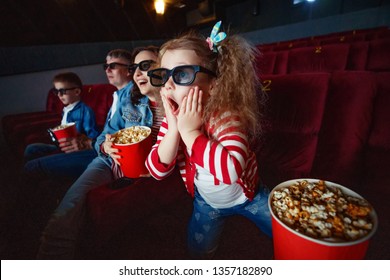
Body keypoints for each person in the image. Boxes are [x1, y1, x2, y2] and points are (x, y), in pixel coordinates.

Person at [145, 21, 272, 259]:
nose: (169, 84)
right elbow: (156, 171)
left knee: (284, 229)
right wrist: (174, 129)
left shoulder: (227, 117)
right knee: (197, 250)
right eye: (164, 75)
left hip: (248, 195)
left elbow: (231, 171)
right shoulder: (172, 121)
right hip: (207, 203)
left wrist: (192, 134)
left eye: (181, 74)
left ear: (212, 85)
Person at [36, 47, 162, 259]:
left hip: (145, 168)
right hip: (107, 161)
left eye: (146, 66)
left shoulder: (174, 105)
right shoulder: (128, 101)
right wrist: (105, 146)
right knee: (69, 204)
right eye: (134, 68)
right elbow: (105, 135)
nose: (138, 73)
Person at [23, 72, 99, 181]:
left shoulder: (85, 111)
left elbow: (93, 135)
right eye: (56, 91)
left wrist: (80, 139)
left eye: (62, 91)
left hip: (75, 149)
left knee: (35, 160)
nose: (59, 95)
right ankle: (31, 179)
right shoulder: (66, 109)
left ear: (77, 91)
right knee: (32, 148)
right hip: (61, 145)